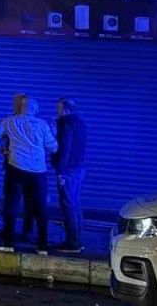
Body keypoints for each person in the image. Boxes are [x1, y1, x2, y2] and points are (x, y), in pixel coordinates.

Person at [0, 93, 57, 254]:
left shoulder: (10, 121)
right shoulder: (42, 124)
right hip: (38, 172)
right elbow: (53, 147)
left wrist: (2, 150)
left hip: (16, 168)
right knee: (40, 208)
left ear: (21, 107)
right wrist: (52, 134)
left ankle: (8, 243)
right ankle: (42, 246)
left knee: (11, 205)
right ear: (33, 109)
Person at [53, 98, 87, 254]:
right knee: (75, 204)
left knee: (67, 205)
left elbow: (65, 149)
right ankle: (78, 240)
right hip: (79, 168)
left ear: (66, 110)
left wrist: (61, 171)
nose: (57, 111)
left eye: (58, 108)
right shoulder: (80, 122)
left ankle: (72, 243)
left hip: (68, 169)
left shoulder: (65, 123)